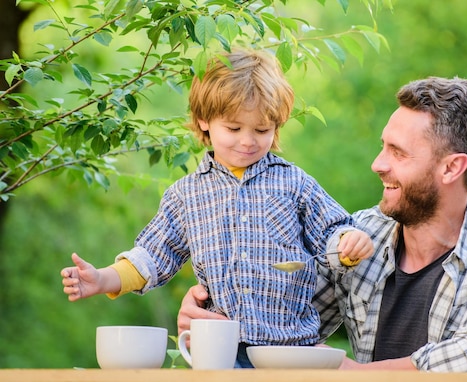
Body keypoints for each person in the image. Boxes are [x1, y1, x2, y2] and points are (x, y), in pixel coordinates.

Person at [177, 76, 467, 381]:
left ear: (451, 168)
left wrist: (351, 373)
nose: (377, 164)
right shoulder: (361, 237)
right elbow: (282, 319)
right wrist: (213, 321)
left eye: (398, 153)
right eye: (382, 147)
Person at [60, 49, 373, 368]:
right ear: (204, 120)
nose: (248, 141)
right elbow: (151, 256)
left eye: (262, 130)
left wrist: (348, 243)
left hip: (292, 348)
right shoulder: (186, 194)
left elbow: (333, 231)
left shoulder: (294, 182)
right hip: (221, 349)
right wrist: (102, 279)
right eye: (234, 129)